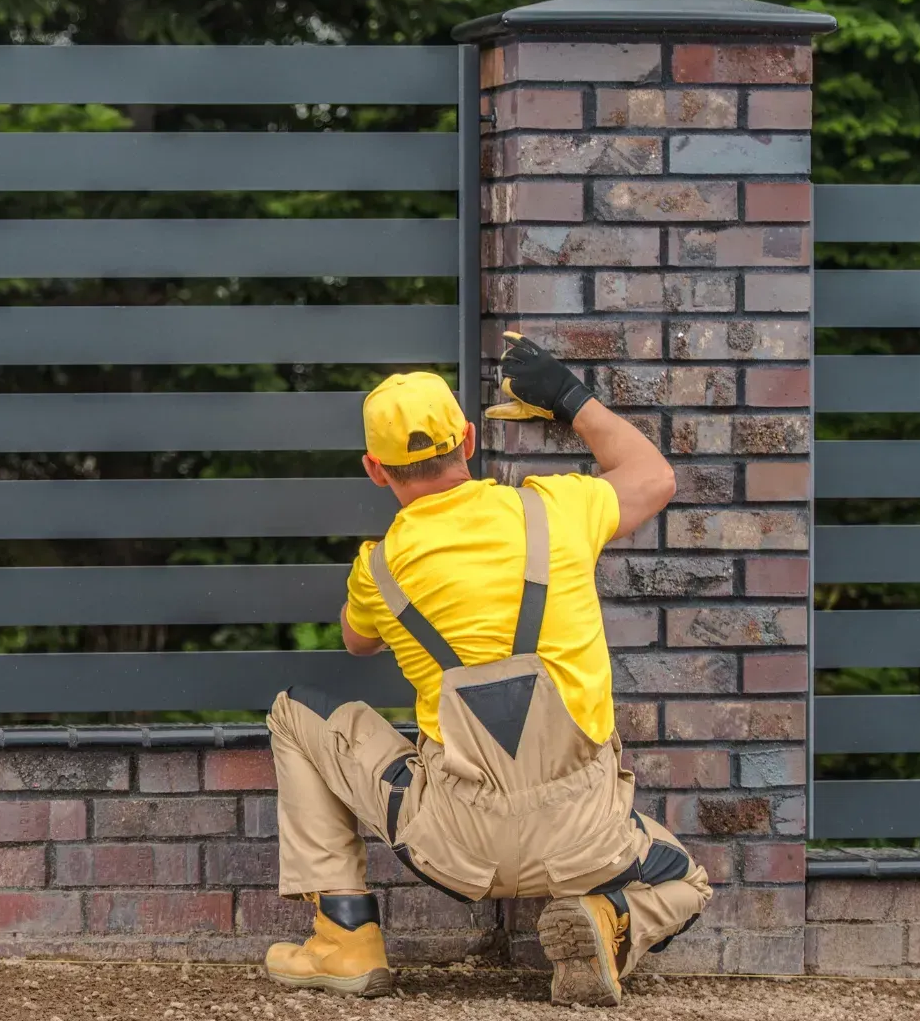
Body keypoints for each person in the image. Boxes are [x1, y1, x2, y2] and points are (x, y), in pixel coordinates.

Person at [261, 332, 711, 1007]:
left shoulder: (378, 568)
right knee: (686, 882)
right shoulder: (556, 510)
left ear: (374, 470)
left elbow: (358, 643)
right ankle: (610, 918)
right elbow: (654, 477)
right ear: (468, 441)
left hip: (453, 845)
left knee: (295, 713)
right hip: (586, 841)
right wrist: (567, 397)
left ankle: (344, 936)